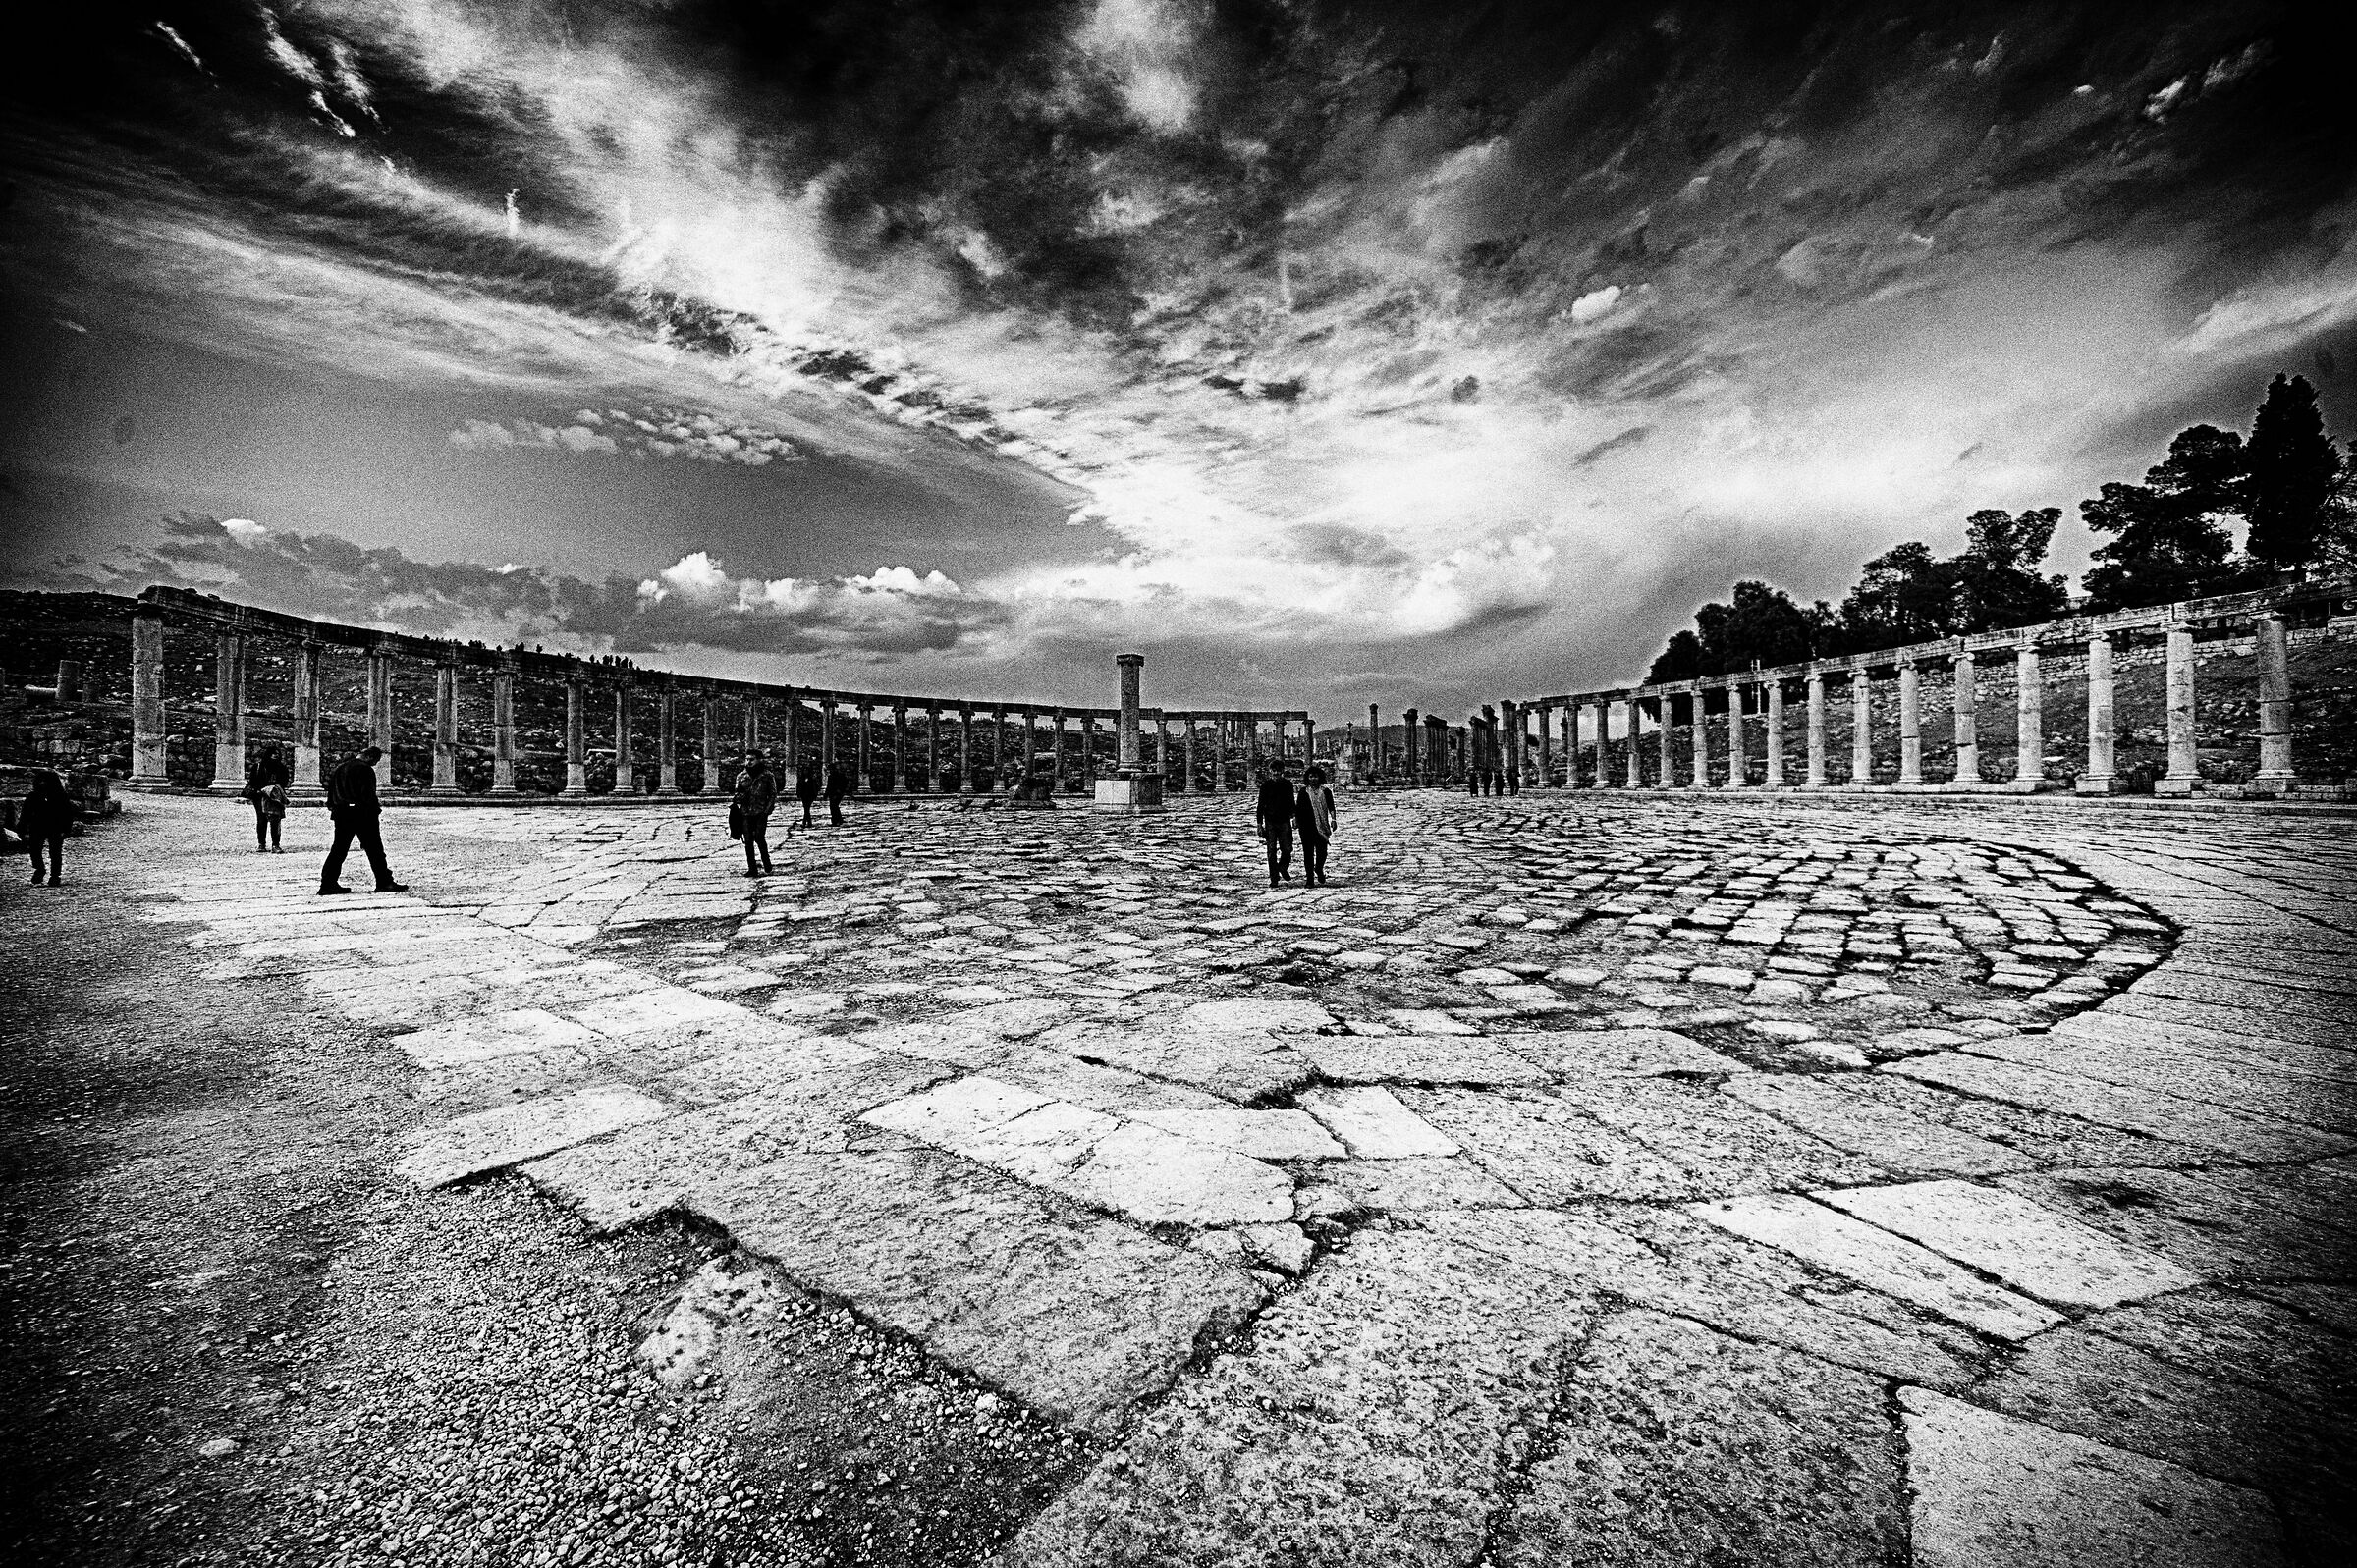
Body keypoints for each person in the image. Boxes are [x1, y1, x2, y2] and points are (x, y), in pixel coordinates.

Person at [320, 746, 407, 895]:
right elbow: (368, 795)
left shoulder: (341, 768)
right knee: (375, 850)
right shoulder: (365, 769)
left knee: (338, 850)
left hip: (341, 813)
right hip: (362, 815)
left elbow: (331, 791)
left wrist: (333, 808)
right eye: (376, 760)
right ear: (370, 757)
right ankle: (384, 882)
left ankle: (327, 883)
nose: (375, 764)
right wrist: (374, 813)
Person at [17, 770, 80, 887]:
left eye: (45, 781)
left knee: (55, 852)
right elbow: (25, 814)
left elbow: (67, 814)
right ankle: (40, 869)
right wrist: (22, 829)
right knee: (35, 850)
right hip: (37, 827)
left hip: (55, 827)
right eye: (40, 781)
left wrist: (65, 829)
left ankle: (55, 876)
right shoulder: (33, 796)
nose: (42, 783)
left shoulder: (61, 796)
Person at [734, 751, 777, 876]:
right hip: (746, 812)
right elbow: (736, 793)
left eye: (752, 759)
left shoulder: (768, 776)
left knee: (759, 837)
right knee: (748, 841)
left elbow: (772, 794)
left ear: (759, 760)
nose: (749, 762)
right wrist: (739, 797)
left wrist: (767, 811)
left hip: (760, 811)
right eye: (747, 759)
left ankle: (766, 862)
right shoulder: (741, 776)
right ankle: (752, 868)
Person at [1254, 761, 1296, 887]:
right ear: (1270, 771)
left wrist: (1294, 817)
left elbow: (1291, 802)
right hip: (1270, 822)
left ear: (1282, 771)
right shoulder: (1265, 785)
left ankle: (1282, 867)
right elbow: (1260, 805)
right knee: (1271, 850)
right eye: (1274, 770)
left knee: (1287, 848)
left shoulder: (1287, 784)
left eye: (1278, 770)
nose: (1276, 773)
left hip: (1284, 820)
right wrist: (1259, 823)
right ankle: (1274, 878)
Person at [1295, 764, 1337, 887]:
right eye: (1311, 776)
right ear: (1307, 778)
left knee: (1322, 852)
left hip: (1321, 826)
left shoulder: (1326, 791)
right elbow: (1298, 808)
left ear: (1320, 777)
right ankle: (1309, 879)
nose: (1313, 779)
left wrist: (1333, 819)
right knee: (1308, 853)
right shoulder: (1304, 792)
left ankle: (1319, 868)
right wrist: (1296, 820)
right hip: (1306, 826)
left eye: (1315, 776)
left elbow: (1331, 806)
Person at [245, 753, 289, 853]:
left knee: (275, 820)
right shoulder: (258, 766)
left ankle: (275, 845)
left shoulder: (281, 767)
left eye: (277, 755)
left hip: (274, 796)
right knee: (261, 820)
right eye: (273, 754)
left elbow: (284, 781)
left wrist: (274, 789)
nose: (275, 756)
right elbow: (253, 781)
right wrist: (261, 790)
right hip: (260, 796)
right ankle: (261, 844)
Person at [795, 758, 820, 828]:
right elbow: (798, 786)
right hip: (804, 796)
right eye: (804, 770)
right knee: (806, 809)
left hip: (810, 796)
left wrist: (815, 794)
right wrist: (798, 794)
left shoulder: (812, 779)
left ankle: (804, 822)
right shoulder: (801, 779)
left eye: (807, 770)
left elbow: (815, 787)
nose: (805, 771)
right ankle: (809, 823)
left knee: (807, 809)